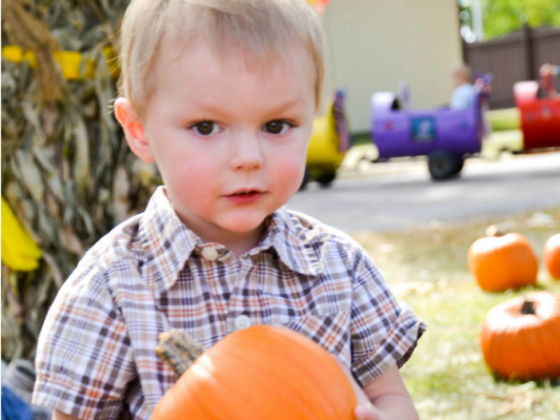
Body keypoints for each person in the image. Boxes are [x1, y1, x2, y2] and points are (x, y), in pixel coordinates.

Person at [31, 1, 426, 419]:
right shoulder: (110, 287)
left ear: (312, 115)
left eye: (276, 125)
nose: (247, 157)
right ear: (139, 130)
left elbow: (390, 395)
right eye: (206, 127)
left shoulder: (338, 267)